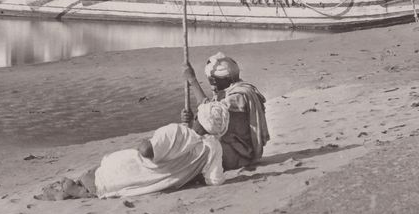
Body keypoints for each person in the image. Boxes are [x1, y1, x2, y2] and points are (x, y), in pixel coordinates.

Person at [36, 100, 231, 200]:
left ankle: (75, 189)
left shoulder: (176, 131)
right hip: (154, 181)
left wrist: (146, 141)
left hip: (132, 168)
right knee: (97, 183)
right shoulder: (213, 147)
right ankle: (76, 189)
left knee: (94, 174)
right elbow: (214, 180)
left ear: (198, 116)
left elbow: (146, 150)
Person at [184, 51, 269, 171]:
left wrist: (193, 81)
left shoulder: (239, 96)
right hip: (231, 150)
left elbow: (209, 116)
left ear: (228, 78)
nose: (212, 84)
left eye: (214, 80)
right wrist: (191, 119)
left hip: (239, 155)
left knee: (191, 155)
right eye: (210, 79)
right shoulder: (227, 92)